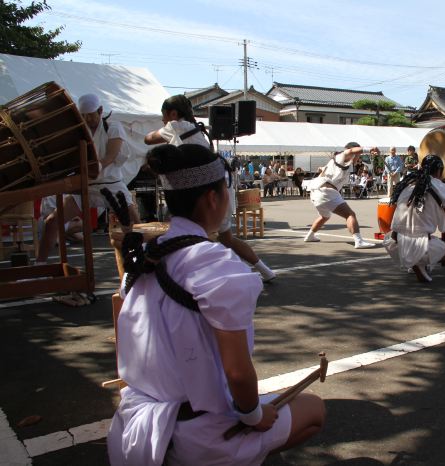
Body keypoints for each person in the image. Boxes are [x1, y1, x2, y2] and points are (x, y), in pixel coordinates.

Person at [107, 144, 325, 466]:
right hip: (196, 434)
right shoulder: (217, 265)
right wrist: (253, 415)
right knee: (315, 410)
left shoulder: (147, 255)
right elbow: (237, 373)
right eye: (228, 189)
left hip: (139, 422)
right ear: (213, 197)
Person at [145, 96, 276, 282]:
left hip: (199, 195)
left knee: (188, 236)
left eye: (163, 115)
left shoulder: (174, 126)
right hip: (219, 188)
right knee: (226, 238)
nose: (162, 120)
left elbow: (148, 139)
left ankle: (187, 277)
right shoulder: (199, 130)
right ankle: (265, 271)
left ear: (173, 114)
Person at [36, 93, 140, 262]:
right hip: (87, 184)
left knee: (134, 225)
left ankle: (142, 262)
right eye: (83, 115)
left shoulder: (113, 127)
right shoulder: (78, 131)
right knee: (51, 222)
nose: (87, 119)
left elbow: (111, 156)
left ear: (100, 110)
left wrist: (97, 167)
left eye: (91, 114)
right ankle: (39, 266)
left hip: (111, 184)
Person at [384, 155, 445, 282]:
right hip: (417, 240)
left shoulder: (407, 182)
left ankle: (416, 262)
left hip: (393, 242)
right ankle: (418, 261)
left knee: (412, 235)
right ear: (439, 171)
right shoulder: (439, 186)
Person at [303, 143, 375, 248]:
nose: (357, 156)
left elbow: (353, 158)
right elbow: (351, 152)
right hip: (326, 191)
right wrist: (369, 149)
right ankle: (359, 241)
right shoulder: (341, 156)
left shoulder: (344, 163)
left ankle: (310, 236)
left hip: (316, 193)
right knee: (350, 214)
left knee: (324, 216)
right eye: (356, 152)